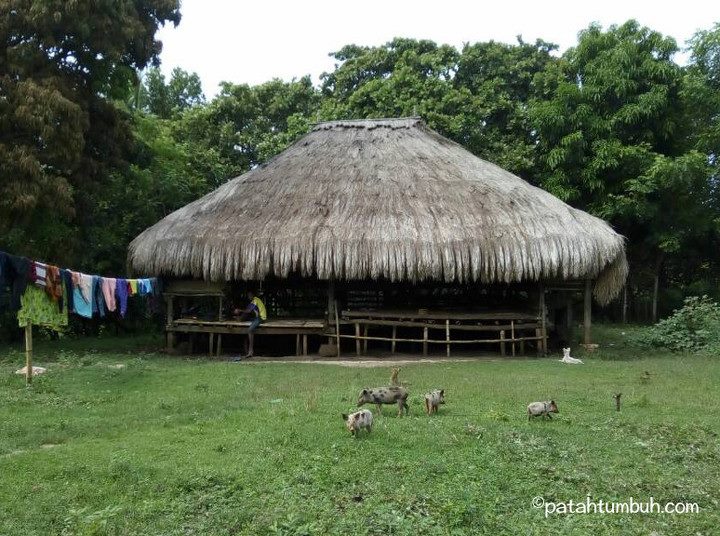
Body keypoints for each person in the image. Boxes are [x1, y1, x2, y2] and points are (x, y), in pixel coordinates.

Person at [231, 290, 267, 360]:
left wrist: (239, 310)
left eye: (250, 295)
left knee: (250, 330)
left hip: (261, 318)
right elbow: (247, 310)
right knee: (245, 321)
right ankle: (247, 350)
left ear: (253, 295)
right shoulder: (253, 301)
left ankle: (251, 351)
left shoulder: (256, 300)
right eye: (248, 295)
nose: (249, 296)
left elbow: (248, 311)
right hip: (256, 317)